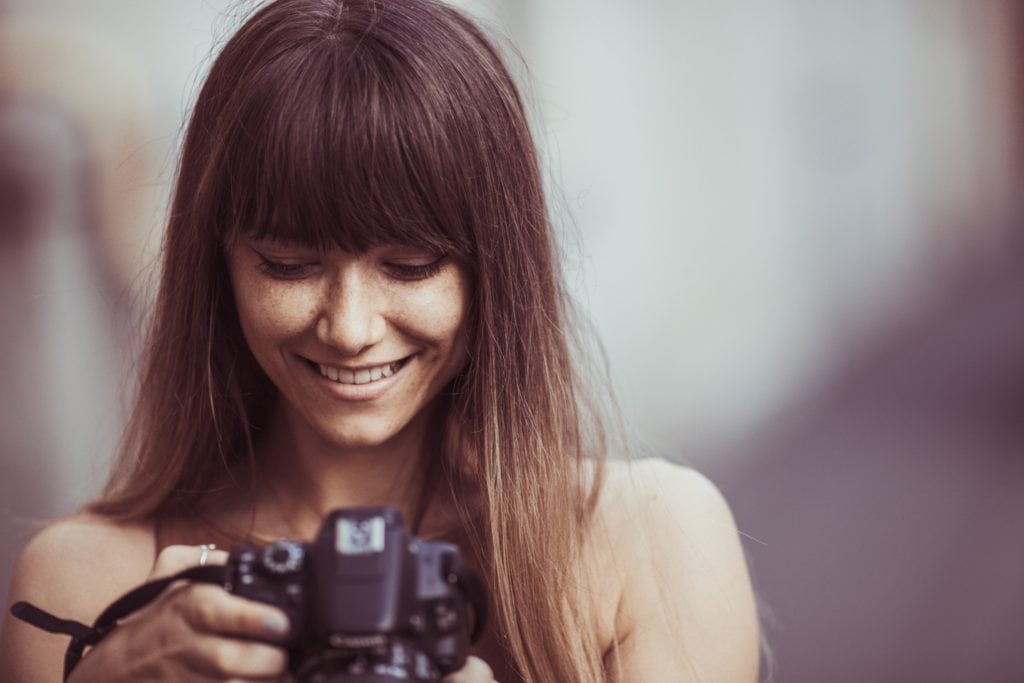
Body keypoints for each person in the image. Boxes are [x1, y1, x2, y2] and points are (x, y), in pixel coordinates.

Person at [0, 0, 759, 680]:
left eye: (411, 265)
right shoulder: (86, 582)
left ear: (496, 267)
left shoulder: (650, 546)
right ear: (218, 264)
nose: (351, 328)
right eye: (289, 265)